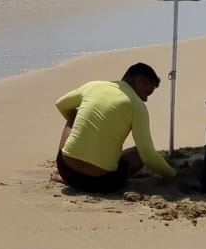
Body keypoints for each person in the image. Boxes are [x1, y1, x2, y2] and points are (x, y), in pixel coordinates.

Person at [54, 63, 176, 193]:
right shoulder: (137, 105)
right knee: (139, 152)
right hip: (101, 183)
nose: (145, 99)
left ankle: (63, 171)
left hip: (66, 170)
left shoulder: (93, 86)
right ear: (140, 81)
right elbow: (148, 156)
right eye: (147, 92)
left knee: (74, 112)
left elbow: (61, 104)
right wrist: (172, 174)